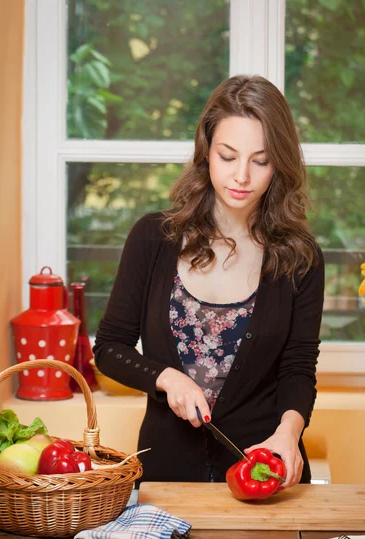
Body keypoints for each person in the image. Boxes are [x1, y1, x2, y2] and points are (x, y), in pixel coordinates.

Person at [93, 74, 325, 490]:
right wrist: (167, 378)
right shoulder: (153, 238)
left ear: (280, 163)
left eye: (260, 160)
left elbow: (298, 367)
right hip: (166, 478)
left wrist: (288, 435)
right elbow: (109, 348)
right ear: (206, 152)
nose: (242, 176)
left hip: (265, 471)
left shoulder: (300, 257)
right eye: (227, 155)